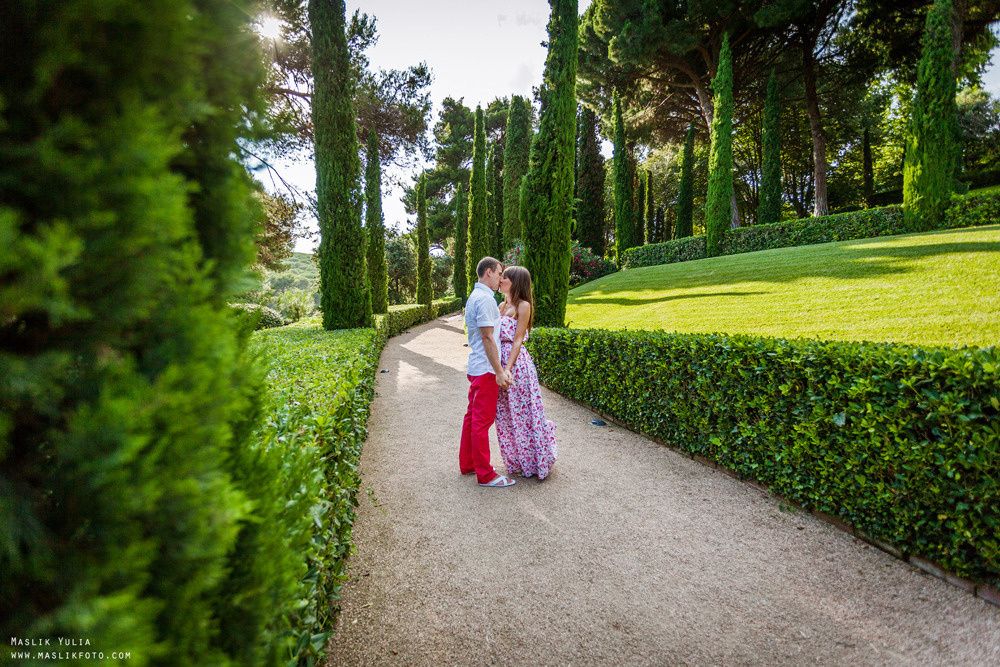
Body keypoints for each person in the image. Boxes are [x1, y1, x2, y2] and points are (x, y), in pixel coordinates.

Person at [495, 265, 557, 479]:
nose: (501, 280)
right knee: (505, 414)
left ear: (516, 282)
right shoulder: (501, 306)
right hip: (499, 363)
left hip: (517, 365)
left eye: (505, 277)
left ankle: (532, 461)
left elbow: (518, 339)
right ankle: (515, 461)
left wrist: (507, 369)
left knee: (524, 413)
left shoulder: (523, 305)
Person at [460, 256, 516, 488]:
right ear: (489, 272)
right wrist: (499, 371)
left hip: (478, 366)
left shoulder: (477, 296)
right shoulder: (484, 299)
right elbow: (487, 338)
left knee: (472, 418)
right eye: (499, 273)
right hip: (485, 369)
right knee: (482, 421)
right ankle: (485, 475)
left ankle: (468, 464)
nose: (501, 278)